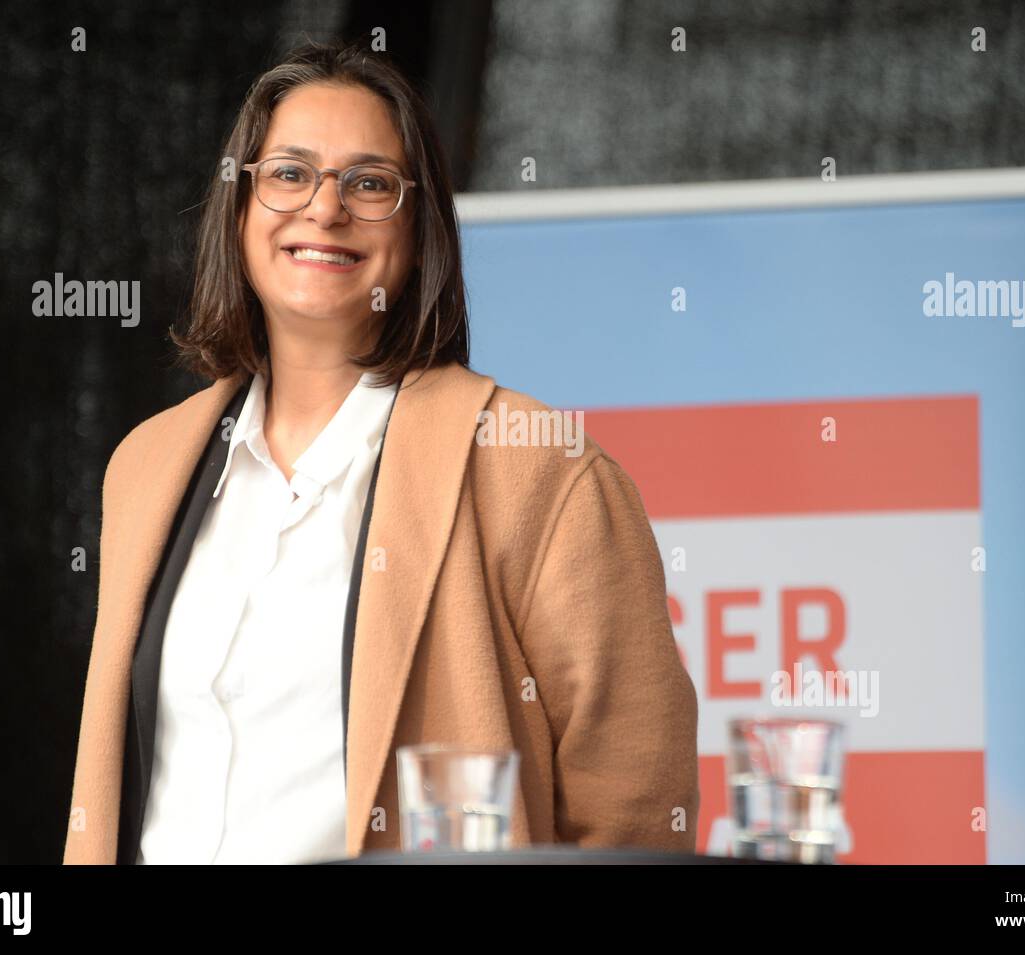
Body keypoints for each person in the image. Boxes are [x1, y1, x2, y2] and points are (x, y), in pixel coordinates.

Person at [63, 37, 698, 864]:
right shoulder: (147, 466)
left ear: (419, 224)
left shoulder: (536, 468)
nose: (324, 208)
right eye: (289, 173)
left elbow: (637, 810)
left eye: (369, 183)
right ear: (240, 207)